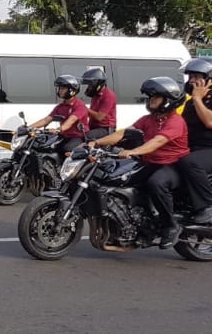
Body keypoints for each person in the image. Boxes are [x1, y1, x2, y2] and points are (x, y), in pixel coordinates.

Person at [88, 76, 189, 249]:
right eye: (151, 97)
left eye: (155, 97)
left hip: (172, 165)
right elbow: (123, 133)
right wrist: (96, 143)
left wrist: (133, 151)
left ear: (168, 101)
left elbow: (157, 142)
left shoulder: (175, 121)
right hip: (150, 162)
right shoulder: (148, 119)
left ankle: (171, 225)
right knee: (121, 178)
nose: (151, 101)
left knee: (156, 183)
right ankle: (137, 223)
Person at [175, 59, 212, 224]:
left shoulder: (197, 100)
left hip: (209, 148)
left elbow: (209, 122)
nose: (191, 81)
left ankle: (207, 206)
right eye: (190, 77)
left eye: (196, 76)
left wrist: (197, 98)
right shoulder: (190, 102)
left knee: (189, 162)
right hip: (193, 147)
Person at [28, 75, 90, 157]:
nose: (60, 91)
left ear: (72, 90)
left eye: (63, 88)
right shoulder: (60, 106)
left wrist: (58, 130)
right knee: (45, 146)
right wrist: (28, 128)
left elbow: (70, 121)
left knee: (66, 149)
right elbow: (46, 120)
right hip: (64, 136)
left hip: (78, 137)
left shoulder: (79, 106)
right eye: (60, 88)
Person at [81, 68, 117, 140]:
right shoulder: (96, 95)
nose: (89, 88)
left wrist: (84, 108)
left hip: (105, 128)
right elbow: (90, 114)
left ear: (97, 83)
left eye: (90, 85)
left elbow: (99, 117)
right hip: (94, 126)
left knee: (86, 137)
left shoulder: (108, 95)